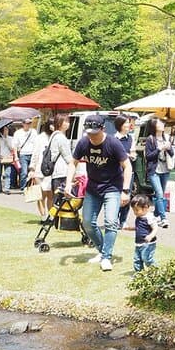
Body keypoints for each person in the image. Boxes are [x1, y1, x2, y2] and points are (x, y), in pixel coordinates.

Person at [66, 114, 131, 272]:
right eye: (88, 133)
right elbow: (73, 163)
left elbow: (127, 166)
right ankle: (103, 251)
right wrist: (68, 183)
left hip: (112, 188)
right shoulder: (83, 143)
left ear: (102, 129)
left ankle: (106, 257)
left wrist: (125, 190)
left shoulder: (113, 143)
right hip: (93, 188)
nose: (91, 136)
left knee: (110, 222)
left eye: (94, 133)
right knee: (87, 223)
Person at [144, 118, 172, 229]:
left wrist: (168, 147)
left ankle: (155, 215)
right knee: (160, 193)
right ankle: (163, 218)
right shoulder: (150, 139)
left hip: (165, 169)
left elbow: (172, 153)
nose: (162, 125)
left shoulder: (167, 137)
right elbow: (148, 156)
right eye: (159, 123)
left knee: (160, 194)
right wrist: (159, 149)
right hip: (154, 170)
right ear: (154, 126)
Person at [114, 115, 137, 229]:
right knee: (116, 195)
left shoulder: (131, 138)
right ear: (120, 125)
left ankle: (123, 220)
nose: (129, 125)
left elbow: (133, 153)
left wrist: (132, 155)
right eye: (127, 123)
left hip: (128, 171)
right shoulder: (113, 139)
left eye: (129, 123)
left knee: (127, 195)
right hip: (116, 172)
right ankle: (114, 219)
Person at [29, 118, 55, 220]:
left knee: (50, 194)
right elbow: (35, 154)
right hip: (40, 170)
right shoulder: (40, 138)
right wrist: (32, 168)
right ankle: (43, 216)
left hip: (52, 171)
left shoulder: (57, 137)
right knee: (40, 194)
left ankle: (51, 216)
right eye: (52, 124)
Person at [131, 194, 158, 272]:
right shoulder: (139, 217)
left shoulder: (149, 217)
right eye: (133, 210)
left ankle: (157, 271)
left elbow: (155, 228)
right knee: (137, 260)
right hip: (138, 243)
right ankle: (140, 274)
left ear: (145, 207)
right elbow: (138, 228)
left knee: (147, 259)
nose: (135, 212)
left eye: (137, 210)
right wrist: (129, 228)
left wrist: (150, 236)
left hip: (148, 244)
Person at [48, 114, 72, 195]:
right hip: (62, 172)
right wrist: (73, 171)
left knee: (57, 200)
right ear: (59, 123)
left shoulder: (53, 135)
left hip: (55, 172)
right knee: (61, 201)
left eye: (68, 121)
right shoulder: (60, 137)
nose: (68, 123)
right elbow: (68, 158)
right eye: (65, 121)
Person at [13, 117, 37, 191]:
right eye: (27, 123)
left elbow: (36, 143)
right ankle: (23, 188)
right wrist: (16, 157)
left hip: (32, 154)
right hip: (23, 155)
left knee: (33, 172)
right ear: (23, 124)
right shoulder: (18, 133)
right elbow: (15, 146)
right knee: (24, 172)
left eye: (30, 123)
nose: (28, 125)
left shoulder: (34, 132)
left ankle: (31, 188)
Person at [0, 124, 17, 194]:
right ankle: (0, 188)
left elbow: (12, 148)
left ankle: (7, 189)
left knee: (7, 173)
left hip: (7, 158)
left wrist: (7, 141)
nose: (6, 131)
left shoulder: (10, 138)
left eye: (7, 129)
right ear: (2, 130)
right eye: (5, 129)